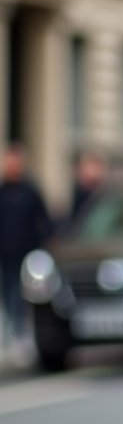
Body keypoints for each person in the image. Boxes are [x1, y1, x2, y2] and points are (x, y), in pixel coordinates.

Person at [0, 141, 52, 350]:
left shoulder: (30, 191)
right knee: (7, 290)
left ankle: (20, 332)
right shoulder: (2, 191)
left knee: (23, 292)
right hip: (5, 251)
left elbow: (43, 219)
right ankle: (10, 330)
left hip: (27, 251)